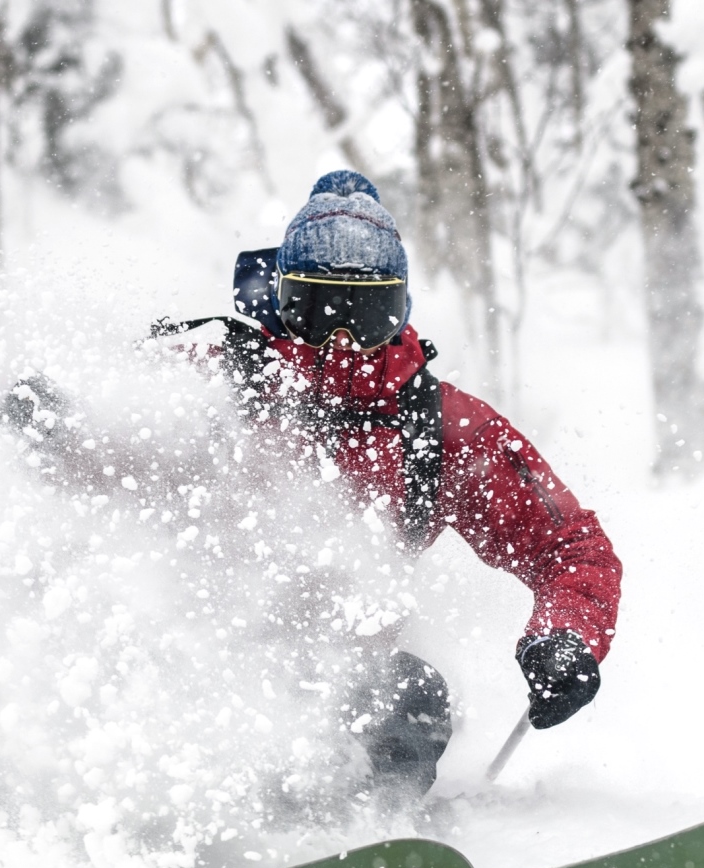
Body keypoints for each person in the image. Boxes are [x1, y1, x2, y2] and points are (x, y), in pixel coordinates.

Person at [166, 170, 624, 797]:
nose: (343, 340)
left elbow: (569, 548)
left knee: (411, 696)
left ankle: (383, 844)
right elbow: (101, 441)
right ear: (279, 297)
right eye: (318, 309)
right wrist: (47, 423)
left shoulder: (442, 431)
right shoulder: (214, 378)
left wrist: (563, 640)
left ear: (401, 309)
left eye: (367, 312)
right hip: (195, 652)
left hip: (347, 674)